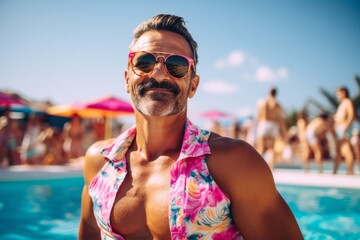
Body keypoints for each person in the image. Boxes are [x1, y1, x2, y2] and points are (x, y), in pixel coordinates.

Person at [78, 14, 303, 240]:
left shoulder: (234, 163)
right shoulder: (99, 162)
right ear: (127, 79)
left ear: (193, 86)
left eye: (176, 65)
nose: (158, 73)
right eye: (144, 62)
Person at [255, 87, 287, 170]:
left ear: (268, 92)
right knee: (272, 148)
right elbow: (280, 119)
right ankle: (272, 168)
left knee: (261, 147)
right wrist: (284, 132)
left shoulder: (263, 103)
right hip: (273, 125)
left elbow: (259, 117)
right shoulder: (277, 104)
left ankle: (257, 167)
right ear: (276, 93)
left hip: (264, 124)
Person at [333, 86, 356, 175]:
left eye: (338, 93)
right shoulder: (342, 104)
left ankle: (350, 172)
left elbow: (351, 115)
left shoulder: (347, 102)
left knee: (346, 150)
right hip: (340, 129)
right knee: (338, 152)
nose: (337, 95)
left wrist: (345, 127)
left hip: (343, 128)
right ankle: (335, 172)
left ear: (344, 92)